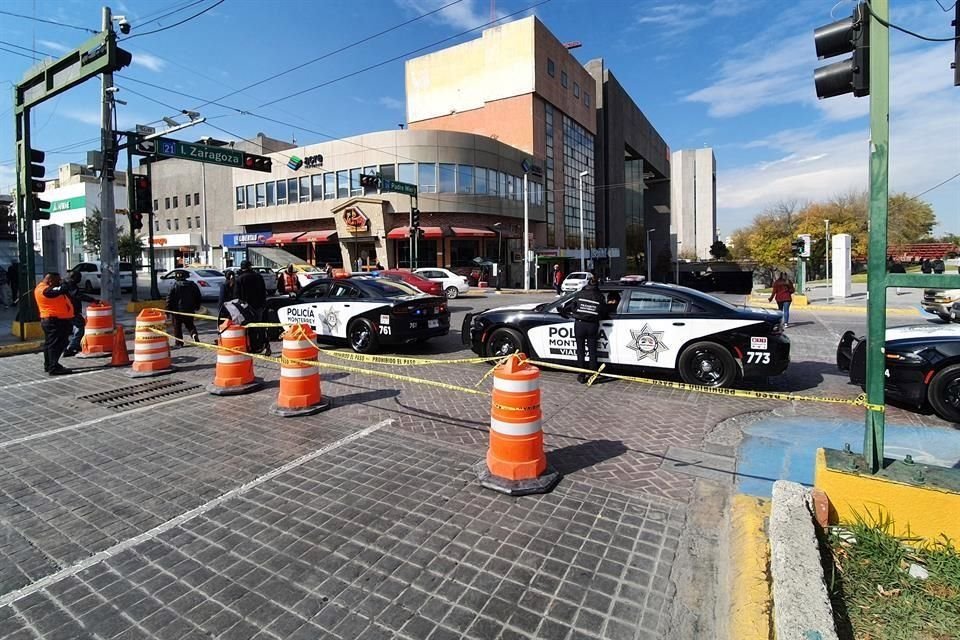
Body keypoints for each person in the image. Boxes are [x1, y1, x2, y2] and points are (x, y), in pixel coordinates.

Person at [562, 273, 608, 384]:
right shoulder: (600, 296)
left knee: (580, 351)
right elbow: (604, 312)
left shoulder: (580, 294)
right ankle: (593, 374)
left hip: (580, 325)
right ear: (597, 285)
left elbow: (571, 307)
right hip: (592, 326)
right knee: (592, 351)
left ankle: (581, 375)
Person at [34, 272, 75, 375]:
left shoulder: (43, 287)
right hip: (54, 321)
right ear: (50, 281)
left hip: (51, 320)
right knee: (56, 344)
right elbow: (60, 290)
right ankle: (53, 367)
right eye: (57, 281)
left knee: (50, 344)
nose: (59, 283)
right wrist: (66, 283)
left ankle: (49, 365)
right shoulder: (45, 290)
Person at [236, 260, 270, 355]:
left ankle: (254, 347)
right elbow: (264, 292)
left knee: (250, 328)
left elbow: (237, 296)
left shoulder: (240, 279)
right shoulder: (258, 277)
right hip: (259, 305)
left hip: (246, 308)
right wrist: (263, 304)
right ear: (250, 267)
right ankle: (265, 344)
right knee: (260, 326)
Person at [62, 270, 97, 357]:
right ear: (73, 277)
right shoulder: (70, 285)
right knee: (80, 325)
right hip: (70, 310)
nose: (80, 280)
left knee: (69, 329)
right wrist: (93, 300)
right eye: (79, 278)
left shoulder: (66, 283)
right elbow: (77, 295)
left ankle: (71, 346)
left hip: (67, 310)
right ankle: (72, 347)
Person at [166, 271, 202, 347]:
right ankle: (194, 334)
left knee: (177, 327)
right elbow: (198, 296)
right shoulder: (192, 285)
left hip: (177, 312)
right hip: (189, 310)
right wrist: (197, 306)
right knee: (190, 325)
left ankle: (179, 343)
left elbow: (169, 299)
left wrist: (167, 310)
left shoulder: (174, 286)